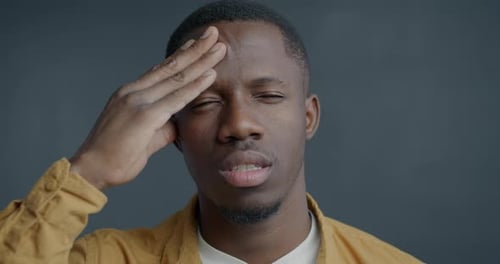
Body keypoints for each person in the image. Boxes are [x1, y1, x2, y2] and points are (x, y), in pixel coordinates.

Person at [0, 1, 423, 263]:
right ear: (176, 132)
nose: (239, 125)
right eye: (204, 102)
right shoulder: (104, 259)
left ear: (309, 117)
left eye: (269, 96)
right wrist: (87, 172)